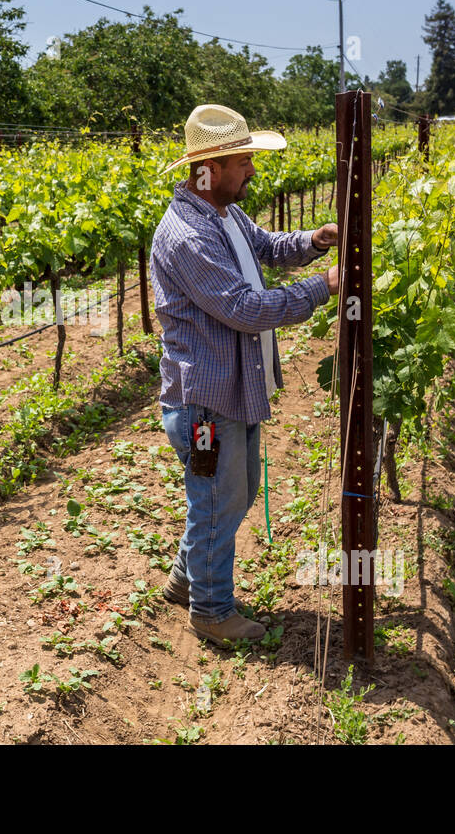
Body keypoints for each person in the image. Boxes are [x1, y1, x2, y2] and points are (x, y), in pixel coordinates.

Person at [149, 104, 341, 645]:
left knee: (231, 492)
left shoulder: (223, 214)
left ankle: (187, 578)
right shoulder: (188, 235)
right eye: (244, 161)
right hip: (206, 403)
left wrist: (315, 240)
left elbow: (265, 248)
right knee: (217, 497)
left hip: (231, 391)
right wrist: (324, 286)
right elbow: (245, 308)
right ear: (209, 167)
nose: (253, 171)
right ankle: (211, 611)